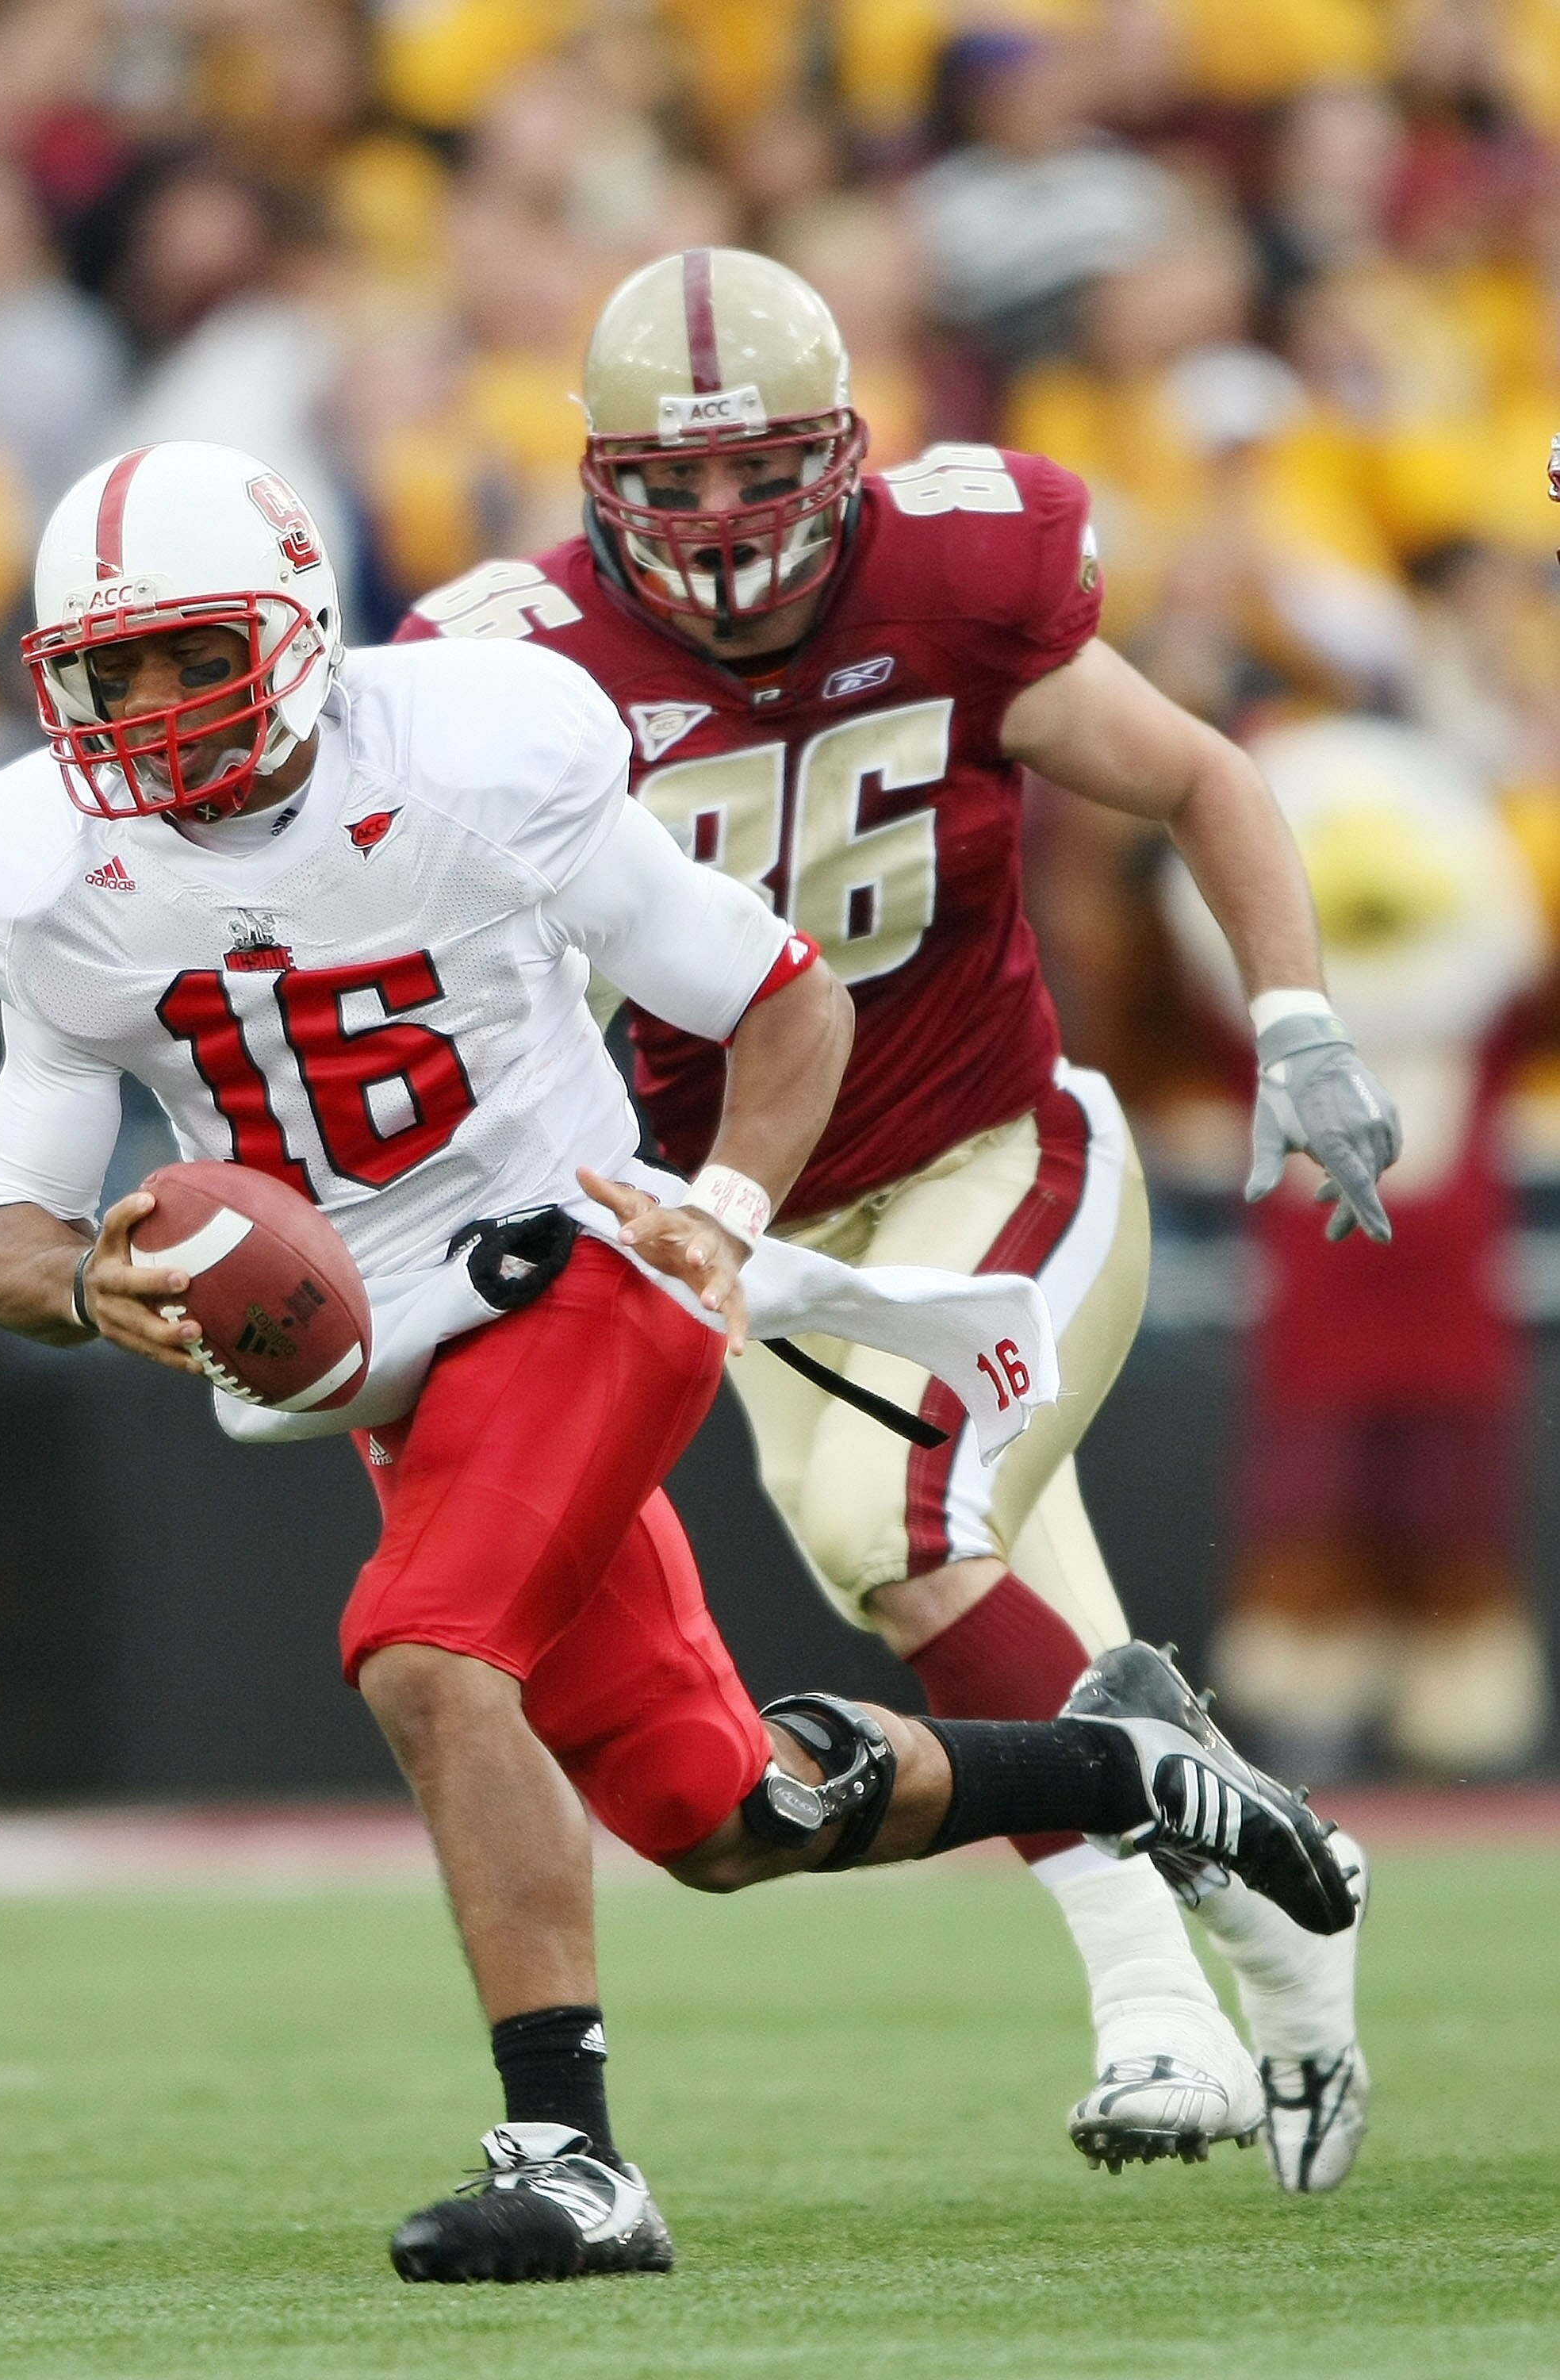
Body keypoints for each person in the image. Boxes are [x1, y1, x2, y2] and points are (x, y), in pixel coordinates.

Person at [0, 440, 1356, 2281]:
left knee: (429, 1653)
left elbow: (782, 1000)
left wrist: (731, 1213)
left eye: (182, 655)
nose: (141, 710)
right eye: (103, 674)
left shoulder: (476, 759)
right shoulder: (45, 876)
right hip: (392, 1367)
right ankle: (1135, 1772)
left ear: (293, 630)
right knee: (729, 1811)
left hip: (577, 1271)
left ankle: (572, 2162)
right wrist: (82, 1289)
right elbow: (9, 1235)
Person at [396, 248, 1401, 2193]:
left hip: (990, 1150)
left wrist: (1294, 1017)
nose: (712, 519)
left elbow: (1198, 774)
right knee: (984, 1601)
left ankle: (1229, 1926)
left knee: (908, 1528)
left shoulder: (963, 569)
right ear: (596, 479)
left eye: (756, 469)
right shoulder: (512, 673)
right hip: (742, 1229)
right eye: (667, 482)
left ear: (846, 453)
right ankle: (1206, 1981)